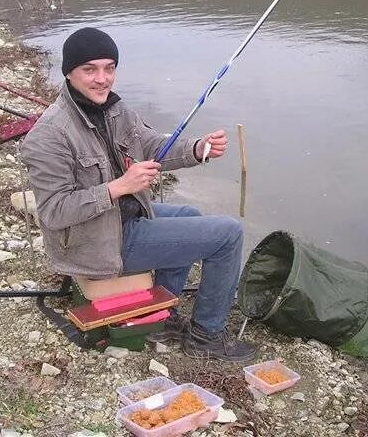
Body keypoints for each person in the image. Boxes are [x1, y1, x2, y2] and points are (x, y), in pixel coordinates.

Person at [21, 27, 256, 362]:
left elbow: (151, 145)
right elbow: (54, 211)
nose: (102, 79)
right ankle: (207, 337)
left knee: (189, 215)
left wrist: (199, 149)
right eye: (90, 69)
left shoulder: (113, 109)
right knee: (229, 235)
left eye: (109, 68)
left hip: (118, 221)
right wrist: (120, 187)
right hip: (96, 245)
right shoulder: (48, 135)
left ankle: (164, 318)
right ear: (69, 72)